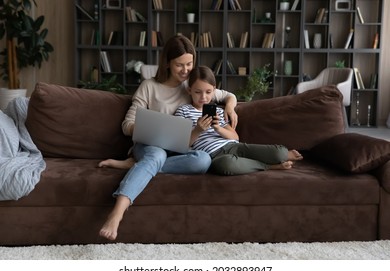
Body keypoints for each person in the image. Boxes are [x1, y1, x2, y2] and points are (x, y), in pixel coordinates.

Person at [98, 35, 238, 241]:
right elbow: (127, 125)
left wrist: (230, 107)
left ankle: (138, 166)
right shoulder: (149, 86)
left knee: (203, 160)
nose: (186, 70)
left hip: (180, 148)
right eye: (179, 65)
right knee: (155, 155)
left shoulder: (193, 86)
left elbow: (227, 95)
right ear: (167, 63)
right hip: (151, 145)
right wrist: (155, 128)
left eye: (190, 63)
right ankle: (116, 213)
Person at [174, 66, 303, 175]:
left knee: (280, 153)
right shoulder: (183, 111)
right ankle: (268, 166)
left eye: (208, 92)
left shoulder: (217, 110)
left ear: (214, 90)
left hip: (233, 146)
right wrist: (198, 130)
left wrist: (218, 128)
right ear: (189, 90)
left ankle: (276, 158)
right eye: (198, 92)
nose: (204, 97)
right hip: (213, 156)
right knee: (227, 165)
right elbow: (180, 145)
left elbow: (235, 137)